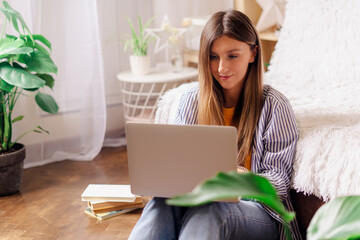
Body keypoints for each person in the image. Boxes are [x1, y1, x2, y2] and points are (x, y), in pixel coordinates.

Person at [129, 9, 302, 240]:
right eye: (213, 56)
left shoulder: (274, 106)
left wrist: (234, 179)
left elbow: (278, 184)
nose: (221, 68)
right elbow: (176, 166)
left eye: (232, 55)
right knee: (162, 203)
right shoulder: (190, 100)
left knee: (211, 210)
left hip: (258, 214)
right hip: (200, 203)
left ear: (252, 53)